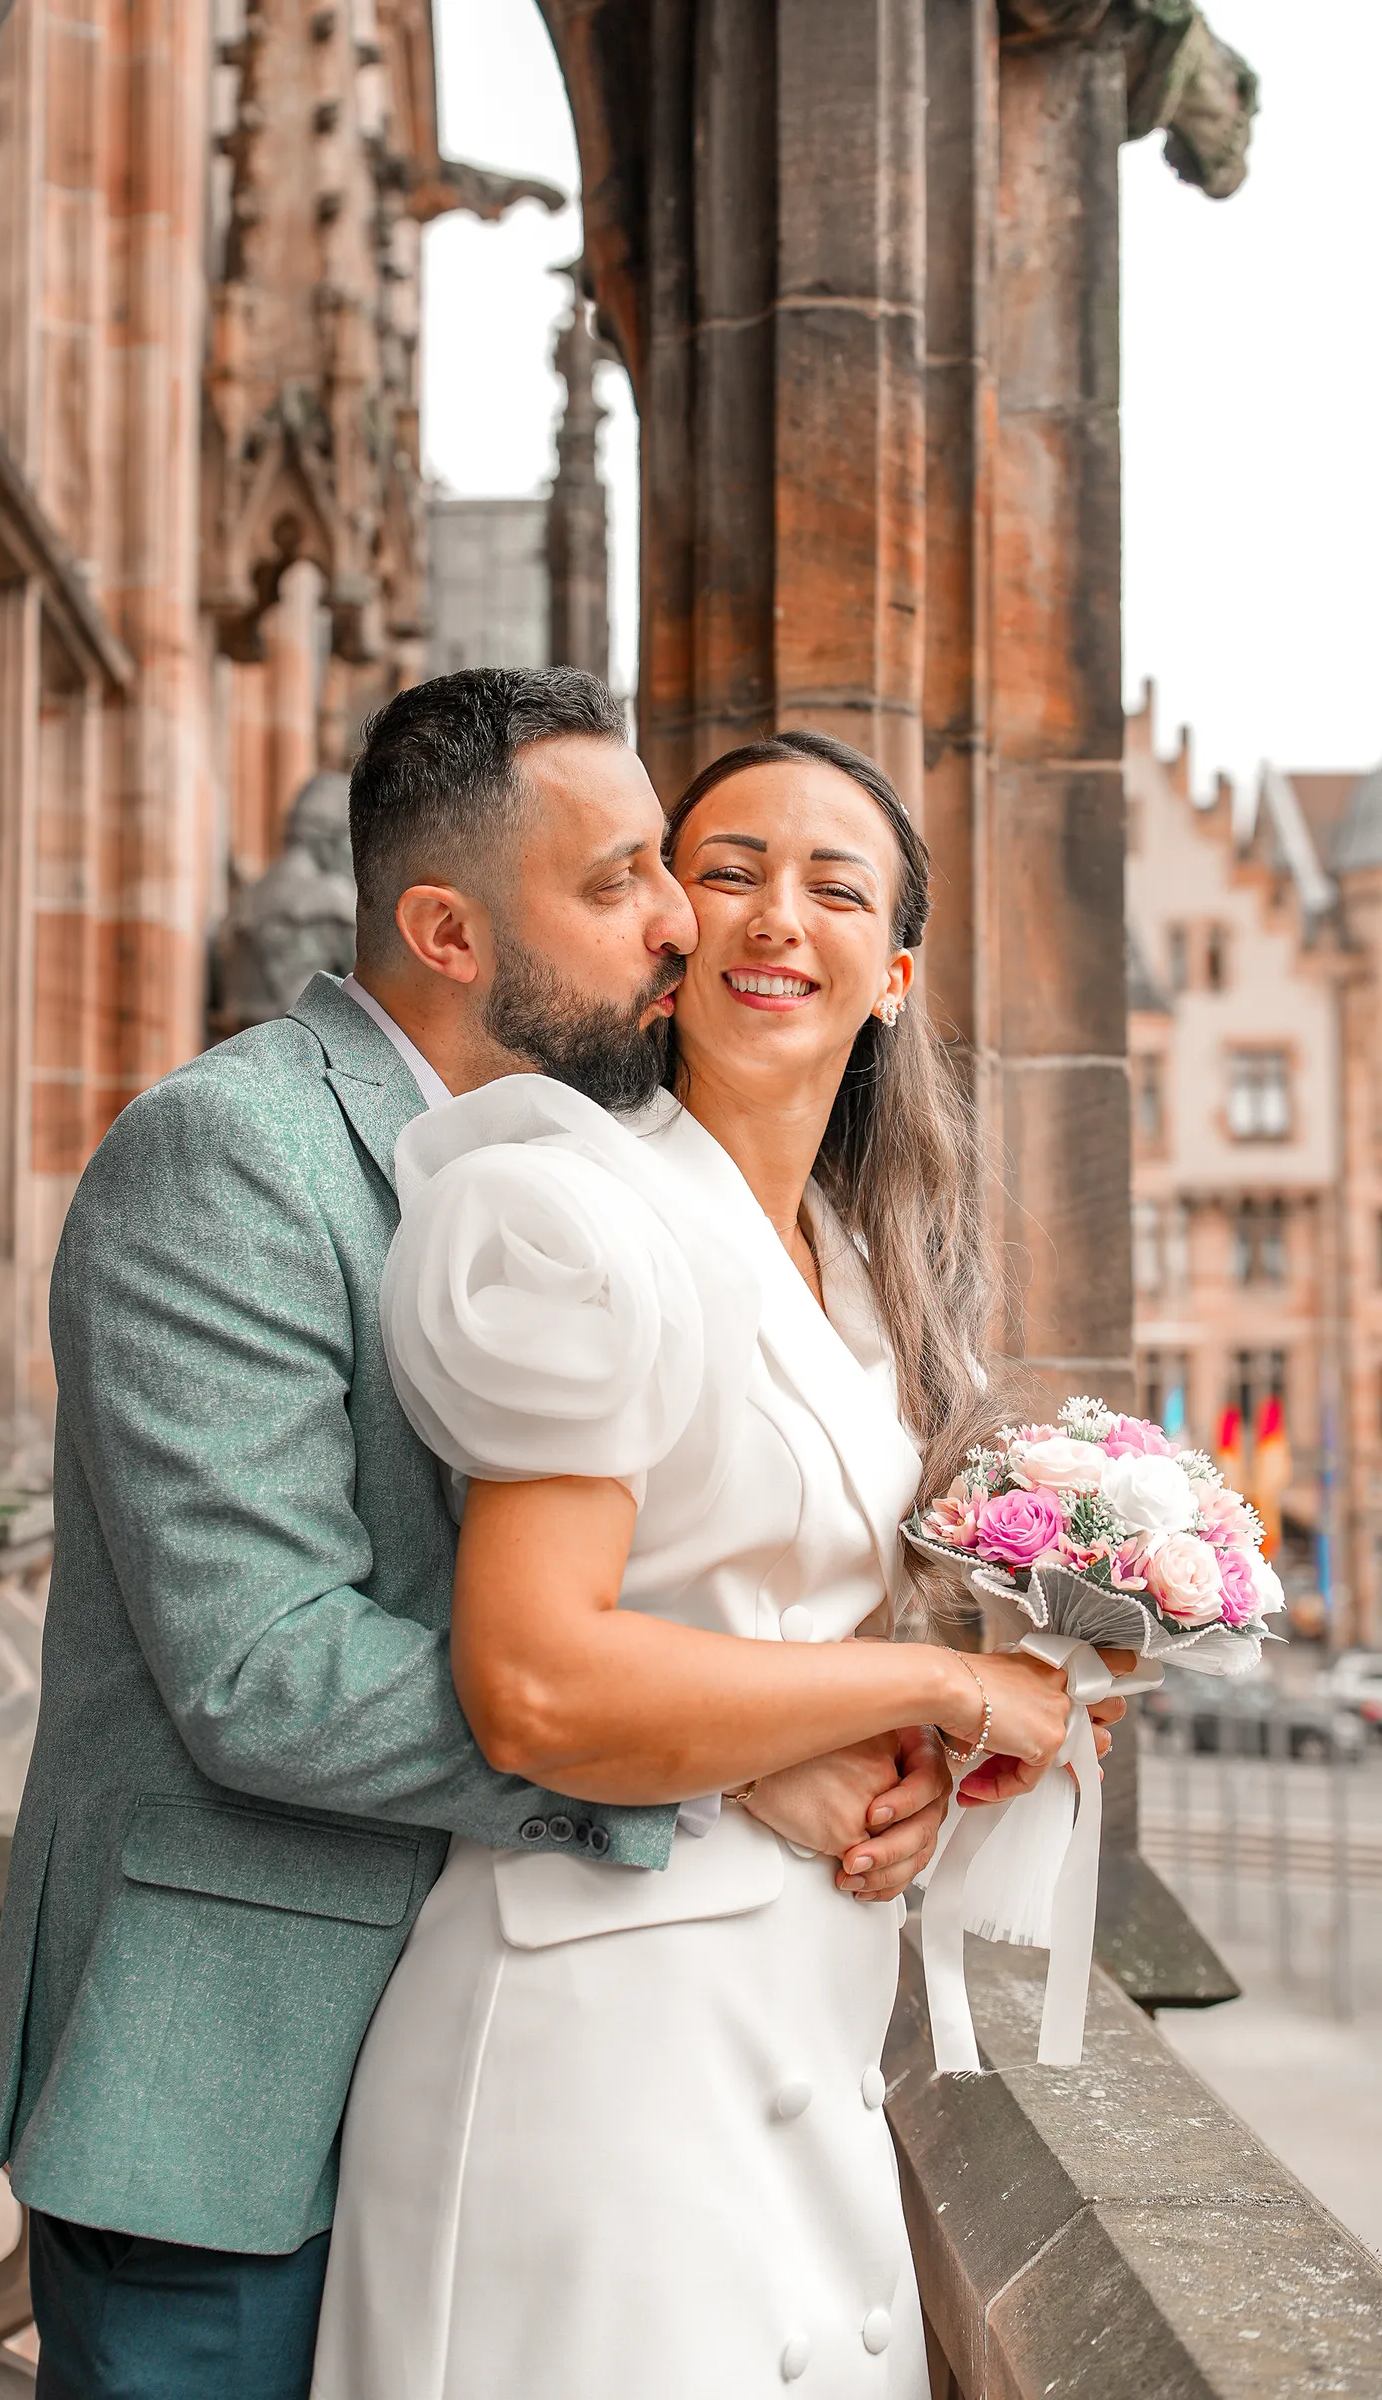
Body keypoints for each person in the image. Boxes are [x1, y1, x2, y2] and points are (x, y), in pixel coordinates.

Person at [0, 673, 966, 2400]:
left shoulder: (590, 1174)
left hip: (529, 2039)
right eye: (621, 882)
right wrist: (712, 1770)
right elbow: (266, 1671)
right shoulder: (229, 1154)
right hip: (233, 2085)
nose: (681, 923)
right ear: (446, 930)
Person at [311, 727, 1127, 2400]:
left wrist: (931, 1760)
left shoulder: (863, 1273)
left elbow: (782, 1634)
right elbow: (536, 1683)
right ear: (670, 933)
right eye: (730, 872)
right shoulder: (570, 1216)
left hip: (806, 2024)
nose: (775, 918)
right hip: (597, 2042)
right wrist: (941, 1684)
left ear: (894, 979)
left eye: (836, 889)